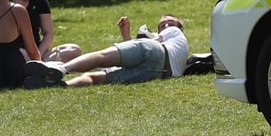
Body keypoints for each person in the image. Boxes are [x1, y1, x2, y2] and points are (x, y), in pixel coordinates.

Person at [23, 14, 190, 88]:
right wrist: (126, 36)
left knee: (101, 57)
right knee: (97, 78)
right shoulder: (181, 51)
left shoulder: (174, 33)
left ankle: (61, 69)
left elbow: (150, 46)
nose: (166, 26)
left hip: (156, 54)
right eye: (162, 25)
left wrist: (132, 40)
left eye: (170, 23)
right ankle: (60, 85)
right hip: (156, 73)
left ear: (179, 28)